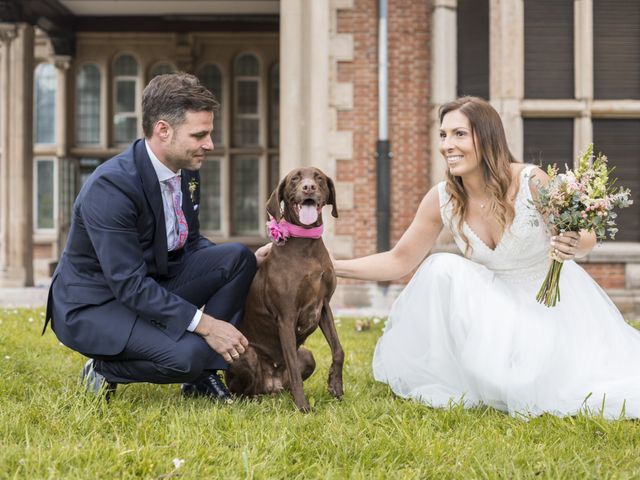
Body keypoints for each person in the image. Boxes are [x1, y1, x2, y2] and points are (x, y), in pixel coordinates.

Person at [333, 96, 640, 419]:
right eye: (443, 135)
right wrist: (328, 267)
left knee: (571, 386)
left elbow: (583, 235)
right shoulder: (443, 198)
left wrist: (574, 242)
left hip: (553, 307)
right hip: (496, 311)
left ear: (487, 136)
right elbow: (400, 260)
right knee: (442, 266)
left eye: (459, 134)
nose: (447, 145)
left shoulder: (531, 181)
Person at [44, 73, 266, 402]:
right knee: (189, 356)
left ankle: (202, 378)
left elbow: (188, 244)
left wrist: (241, 263)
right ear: (163, 130)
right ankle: (103, 368)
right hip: (96, 306)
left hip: (150, 285)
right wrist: (206, 324)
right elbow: (128, 284)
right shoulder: (112, 188)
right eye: (200, 135)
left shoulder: (186, 168)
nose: (210, 145)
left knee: (238, 258)